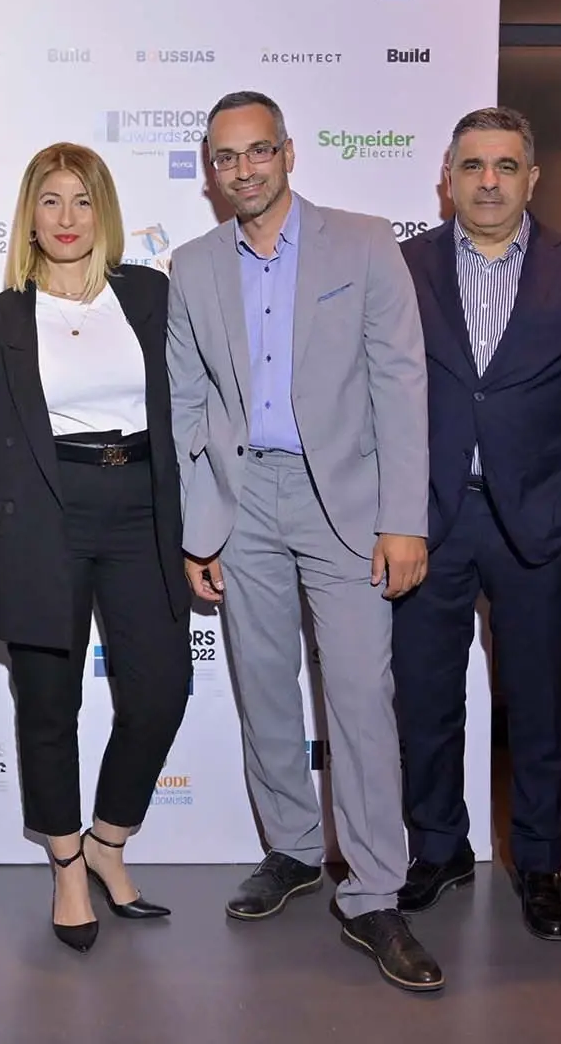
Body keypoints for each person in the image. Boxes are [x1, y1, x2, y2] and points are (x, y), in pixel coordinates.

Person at [167, 90, 441, 992]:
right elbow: (188, 401)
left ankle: (373, 892)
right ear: (211, 171)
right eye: (225, 157)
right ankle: (290, 847)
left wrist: (404, 518)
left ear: (288, 152)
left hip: (348, 502)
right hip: (244, 500)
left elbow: (400, 382)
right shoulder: (192, 265)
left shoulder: (362, 243)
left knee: (359, 696)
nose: (243, 169)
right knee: (263, 687)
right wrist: (199, 524)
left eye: (258, 151)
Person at [391, 107, 561, 940]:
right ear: (447, 180)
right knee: (425, 700)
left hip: (542, 522)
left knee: (537, 705)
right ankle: (438, 849)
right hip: (429, 521)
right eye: (472, 166)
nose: (489, 182)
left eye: (505, 166)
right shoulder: (406, 267)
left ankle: (539, 862)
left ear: (532, 178)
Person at [0, 143, 190, 954]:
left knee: (161, 689)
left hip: (142, 507)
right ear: (29, 215)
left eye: (82, 200)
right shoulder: (0, 318)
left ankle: (109, 839)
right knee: (48, 704)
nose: (66, 219)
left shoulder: (150, 295)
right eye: (50, 200)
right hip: (45, 517)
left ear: (105, 212)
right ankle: (67, 865)